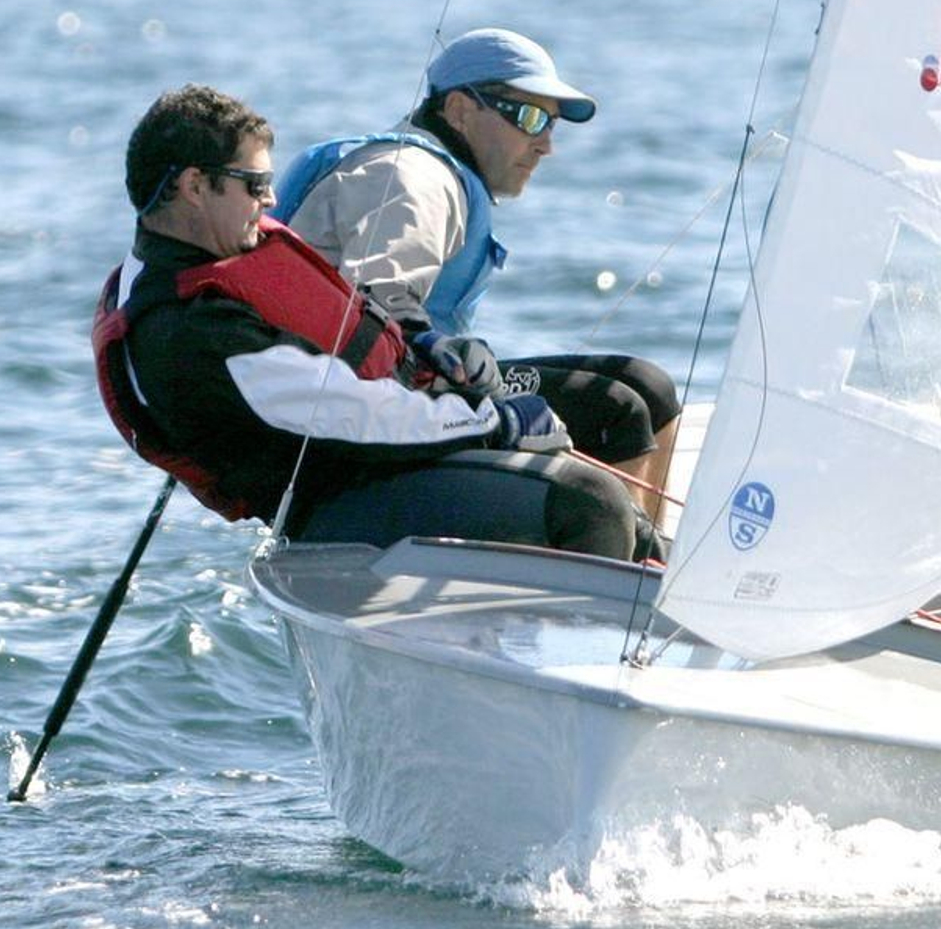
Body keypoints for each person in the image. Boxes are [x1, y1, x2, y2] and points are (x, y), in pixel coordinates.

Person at [92, 83, 663, 562]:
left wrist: (429, 345)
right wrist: (492, 422)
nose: (269, 203)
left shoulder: (212, 255)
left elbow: (353, 332)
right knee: (590, 501)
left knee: (621, 478)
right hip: (337, 500)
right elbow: (351, 412)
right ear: (194, 186)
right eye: (255, 185)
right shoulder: (187, 333)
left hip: (388, 445)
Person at [273, 28, 681, 521]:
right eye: (530, 118)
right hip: (365, 413)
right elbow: (377, 296)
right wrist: (444, 352)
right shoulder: (413, 177)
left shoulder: (425, 169)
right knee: (615, 408)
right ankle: (617, 563)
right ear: (461, 111)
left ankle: (645, 560)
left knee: (646, 385)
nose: (546, 145)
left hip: (411, 381)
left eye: (552, 124)